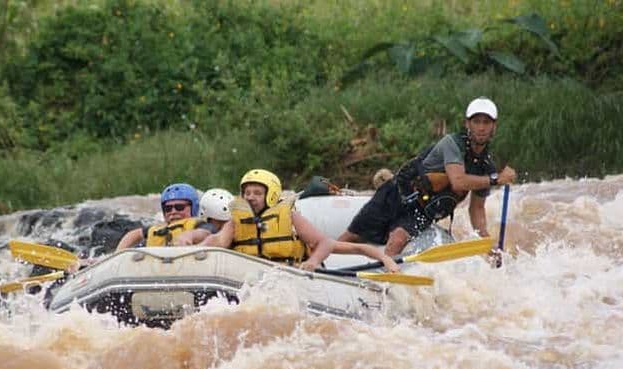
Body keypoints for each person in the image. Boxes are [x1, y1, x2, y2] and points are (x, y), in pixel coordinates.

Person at [338, 97, 516, 258]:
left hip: (422, 211)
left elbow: (476, 210)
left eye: (486, 122)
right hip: (397, 193)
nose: (481, 127)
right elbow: (458, 180)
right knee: (352, 235)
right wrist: (496, 180)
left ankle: (383, 284)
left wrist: (485, 242)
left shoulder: (486, 166)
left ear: (494, 126)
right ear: (467, 124)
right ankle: (322, 264)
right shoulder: (452, 143)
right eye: (476, 121)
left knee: (397, 241)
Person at [202, 169, 400, 272]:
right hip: (255, 280)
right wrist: (197, 247)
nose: (250, 197)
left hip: (294, 273)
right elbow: (217, 241)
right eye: (247, 193)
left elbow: (327, 243)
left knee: (355, 248)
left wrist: (313, 262)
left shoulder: (289, 216)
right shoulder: (236, 222)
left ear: (271, 195)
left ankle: (385, 258)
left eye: (257, 193)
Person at [114, 183, 216, 250]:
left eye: (179, 207)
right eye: (168, 208)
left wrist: (189, 236)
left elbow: (205, 233)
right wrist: (117, 253)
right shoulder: (158, 229)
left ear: (194, 207)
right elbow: (134, 234)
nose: (173, 211)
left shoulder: (201, 225)